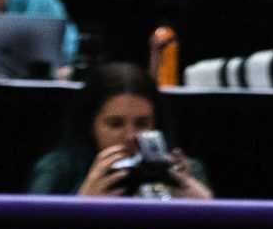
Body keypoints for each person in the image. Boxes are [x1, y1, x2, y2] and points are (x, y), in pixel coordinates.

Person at [25, 64, 212, 198]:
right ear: (90, 125)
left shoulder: (185, 171)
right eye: (115, 124)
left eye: (142, 124)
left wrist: (205, 208)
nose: (130, 136)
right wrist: (82, 204)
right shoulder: (58, 169)